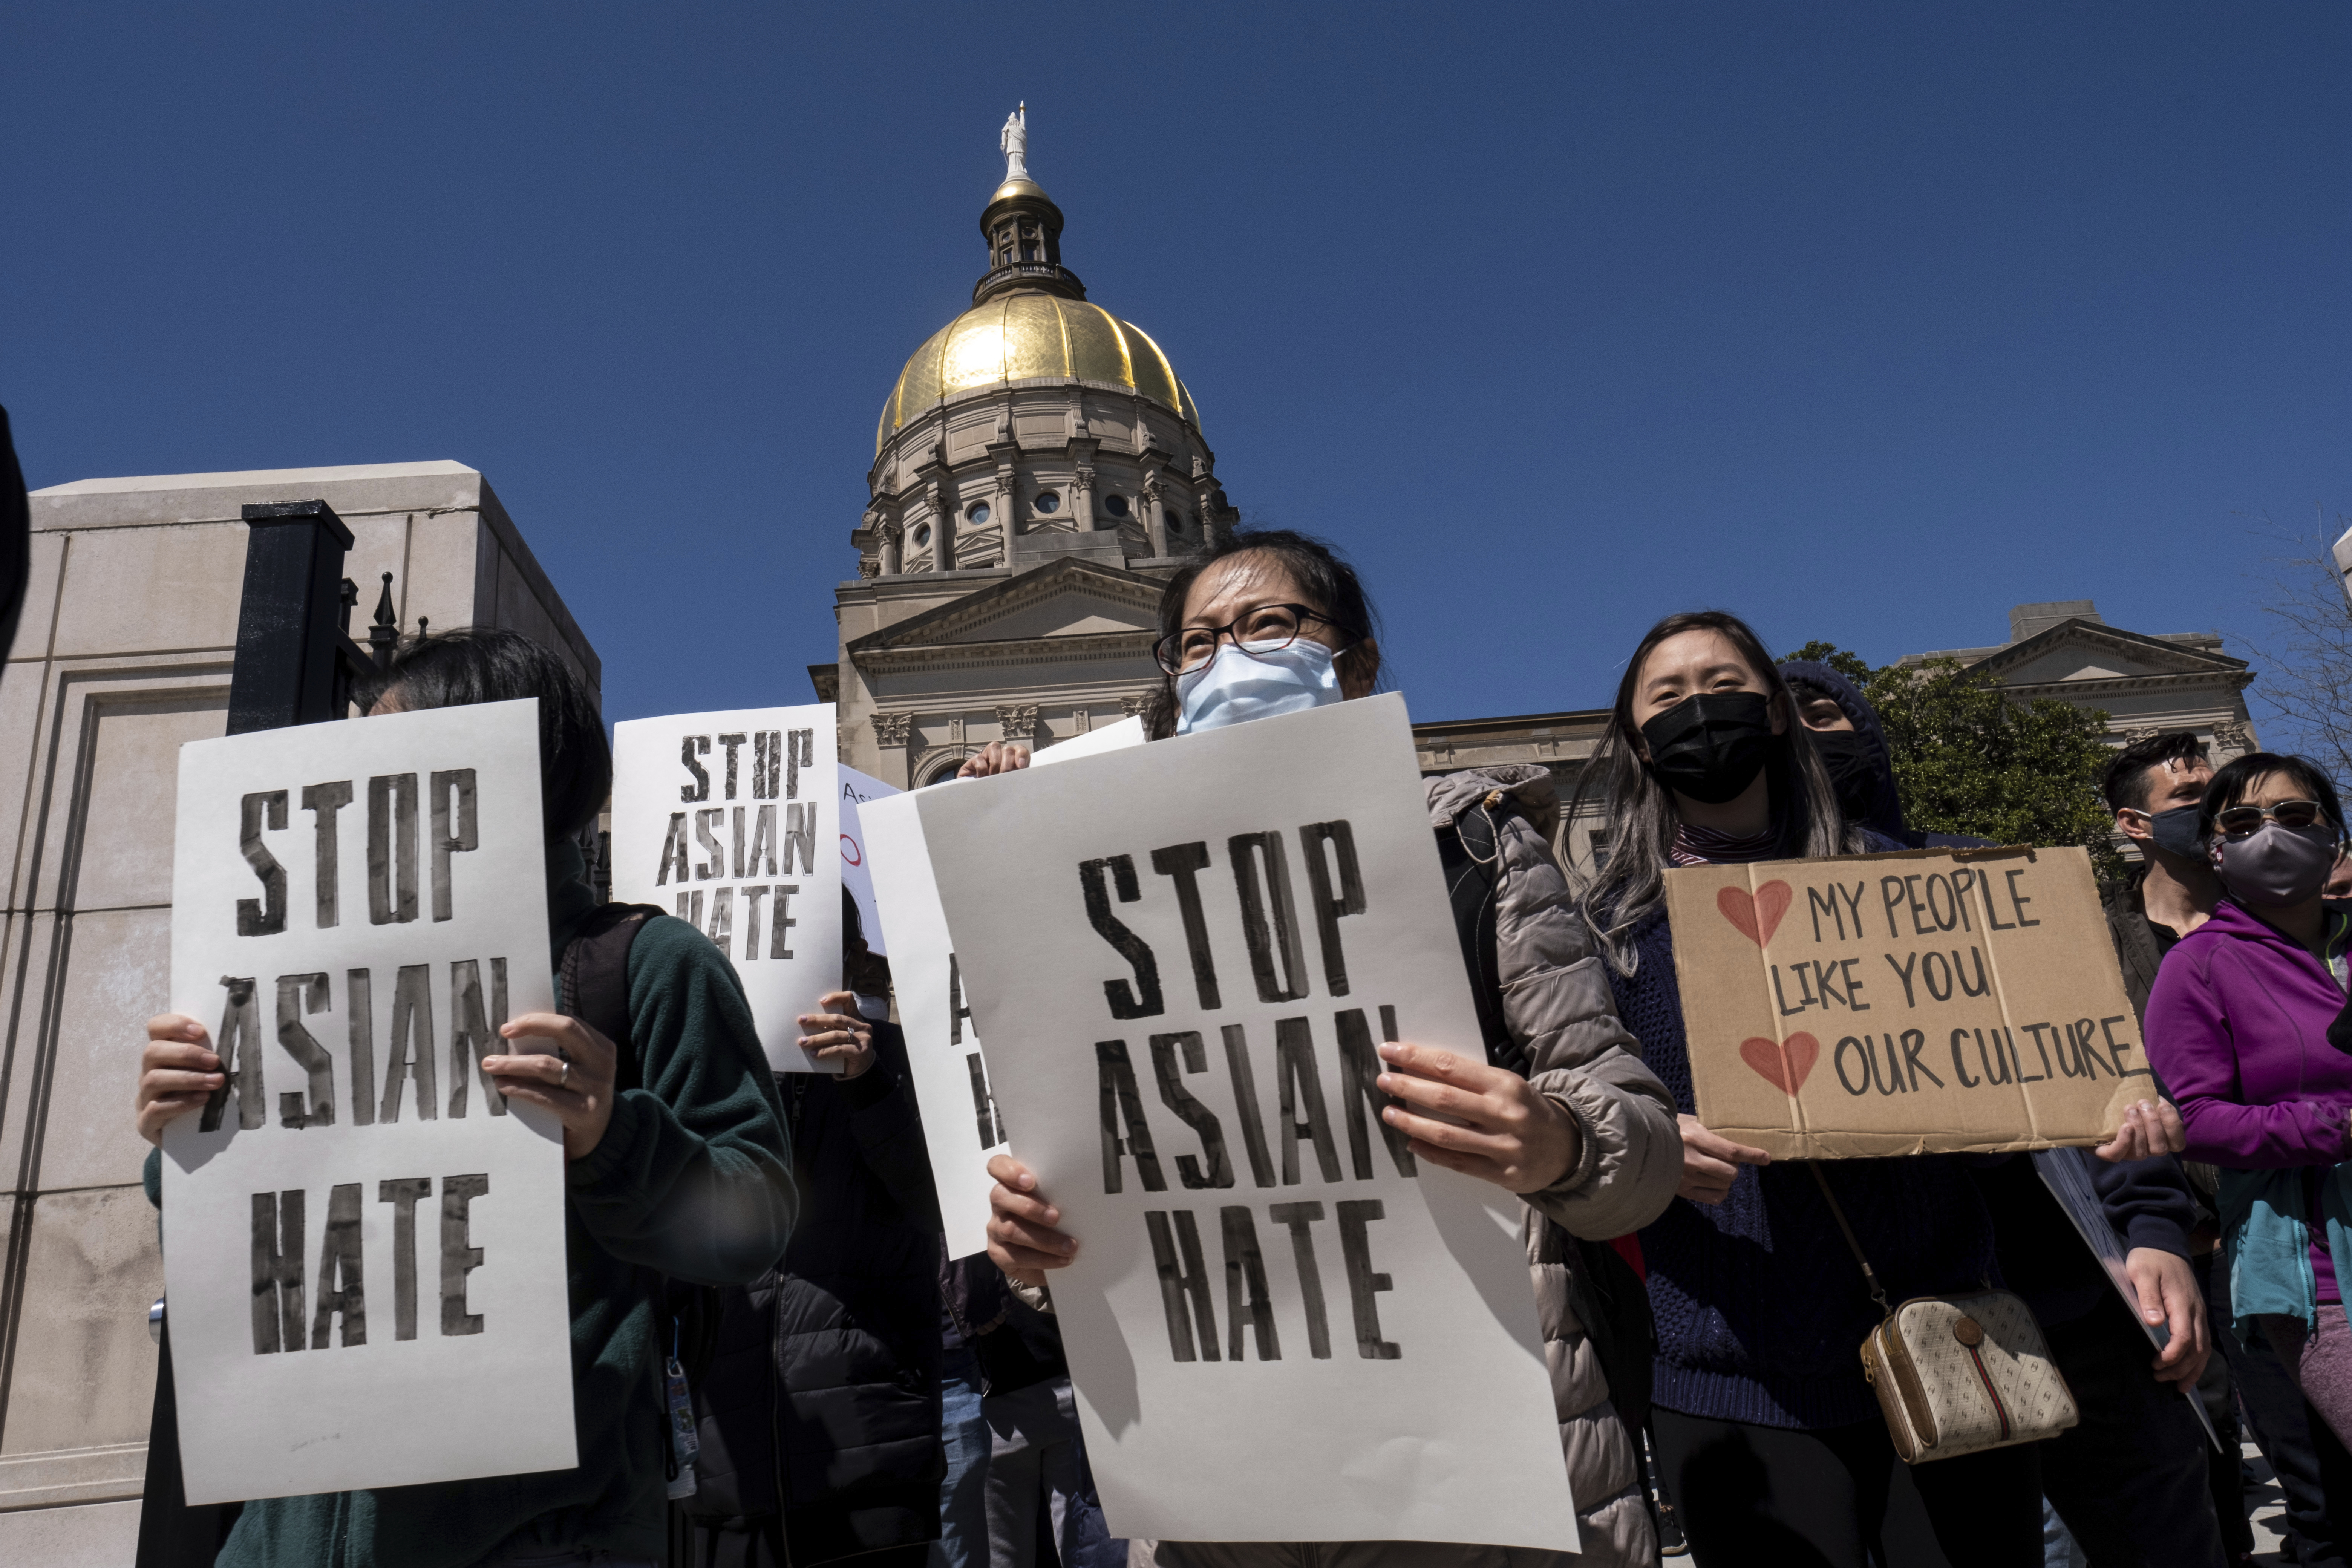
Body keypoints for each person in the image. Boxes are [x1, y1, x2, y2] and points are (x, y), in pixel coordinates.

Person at [978, 528, 1683, 1566]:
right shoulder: (1100, 899)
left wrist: (1558, 1142)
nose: (1233, 658)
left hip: (1475, 1453)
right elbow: (1094, 1162)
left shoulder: (1473, 846)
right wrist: (1040, 1251)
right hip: (1222, 1478)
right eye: (1200, 643)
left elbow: (1640, 1142)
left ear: (1351, 665)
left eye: (1270, 625)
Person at [133, 627, 799, 1568]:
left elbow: (753, 1221)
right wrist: (182, 1138)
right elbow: (244, 1237)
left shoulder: (644, 965)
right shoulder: (288, 975)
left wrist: (611, 1137)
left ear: (496, 762)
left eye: (386, 752)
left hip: (537, 1540)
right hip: (283, 1533)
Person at [1573, 611, 2042, 1568]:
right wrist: (1655, 1143)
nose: (1700, 710)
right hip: (1733, 1378)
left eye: (1726, 684)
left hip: (1950, 1339)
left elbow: (2014, 1101)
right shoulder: (1603, 938)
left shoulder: (1914, 891)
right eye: (1668, 696)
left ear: (1779, 714)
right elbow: (1573, 1115)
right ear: (1633, 736)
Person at [1784, 669, 2226, 1565]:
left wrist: (2155, 1230)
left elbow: (2103, 1073)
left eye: (1823, 714)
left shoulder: (1987, 874)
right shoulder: (1753, 931)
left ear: (1865, 730)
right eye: (1778, 722)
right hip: (1914, 1335)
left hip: (2084, 1303)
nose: (1802, 737)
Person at [685, 892, 948, 1565]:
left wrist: (867, 1084)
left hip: (868, 1463)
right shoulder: (709, 1084)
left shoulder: (906, 1059)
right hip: (730, 1472)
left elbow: (936, 1205)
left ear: (855, 959)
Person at [2145, 753, 2352, 1458]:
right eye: (2243, 821)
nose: (2272, 834)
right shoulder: (2198, 966)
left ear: (2333, 835)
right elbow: (2192, 1121)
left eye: (2295, 816)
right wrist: (2338, 1127)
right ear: (2216, 848)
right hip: (2319, 1272)